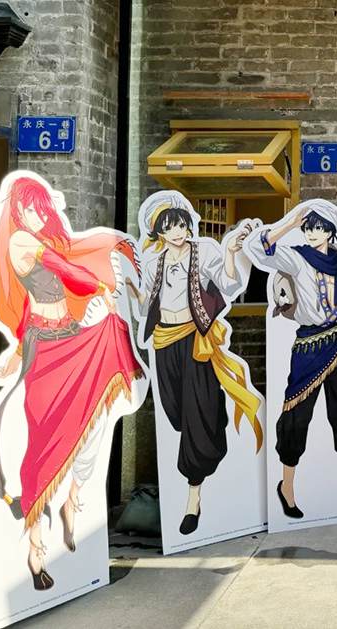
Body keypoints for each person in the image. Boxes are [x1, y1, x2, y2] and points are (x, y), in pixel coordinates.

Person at [0, 174, 143, 591]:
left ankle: (72, 500)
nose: (37, 216)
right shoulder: (22, 241)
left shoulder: (40, 240)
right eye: (30, 210)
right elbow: (63, 271)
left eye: (41, 209)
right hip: (46, 351)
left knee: (91, 418)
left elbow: (37, 295)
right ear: (18, 212)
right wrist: (99, 286)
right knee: (43, 440)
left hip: (68, 334)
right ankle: (35, 547)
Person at [126, 191, 262, 537]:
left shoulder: (204, 252)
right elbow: (146, 306)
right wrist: (130, 289)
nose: (177, 232)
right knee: (176, 412)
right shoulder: (153, 263)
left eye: (181, 225)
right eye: (169, 227)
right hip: (164, 342)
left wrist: (230, 252)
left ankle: (192, 499)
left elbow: (228, 285)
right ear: (158, 231)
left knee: (194, 413)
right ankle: (211, 431)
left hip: (195, 340)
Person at [247, 199, 337, 519]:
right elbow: (258, 248)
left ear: (329, 232)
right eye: (308, 228)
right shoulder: (297, 257)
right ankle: (287, 487)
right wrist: (289, 224)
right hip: (310, 346)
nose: (312, 233)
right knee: (297, 415)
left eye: (318, 228)